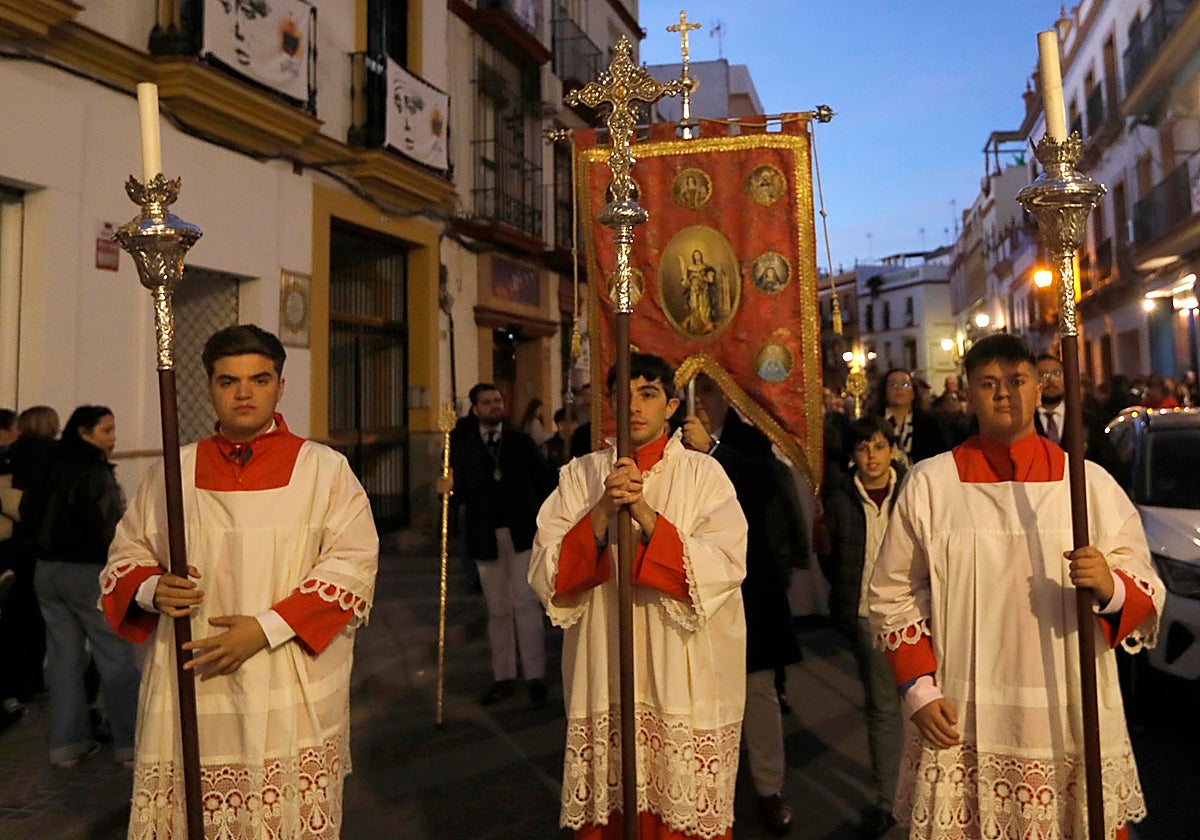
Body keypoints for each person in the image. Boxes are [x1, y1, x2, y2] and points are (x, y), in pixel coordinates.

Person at [868, 333, 1164, 840]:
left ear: (1037, 389)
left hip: (1067, 706)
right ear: (968, 394)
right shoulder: (931, 484)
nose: (1004, 393)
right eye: (988, 383)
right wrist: (917, 688)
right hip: (964, 709)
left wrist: (1108, 586)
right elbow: (893, 591)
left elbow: (1145, 587)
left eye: (1016, 380)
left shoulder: (1087, 484)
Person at [100, 324, 379, 839]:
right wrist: (152, 588)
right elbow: (127, 552)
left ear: (281, 386)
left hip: (285, 668)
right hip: (194, 676)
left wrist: (265, 628)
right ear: (210, 388)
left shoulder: (324, 470)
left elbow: (352, 565)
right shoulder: (174, 470)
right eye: (228, 381)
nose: (243, 393)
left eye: (259, 379)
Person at [529, 352, 748, 840]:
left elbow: (725, 565)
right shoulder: (581, 476)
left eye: (647, 395)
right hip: (606, 663)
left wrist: (645, 514)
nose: (633, 407)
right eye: (621, 396)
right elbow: (546, 571)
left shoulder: (704, 475)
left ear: (670, 406)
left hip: (681, 669)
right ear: (607, 403)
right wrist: (602, 511)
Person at [681, 373, 801, 836]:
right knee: (697, 693)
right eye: (693, 391)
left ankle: (770, 789)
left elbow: (761, 485)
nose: (700, 401)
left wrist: (712, 449)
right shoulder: (673, 441)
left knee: (758, 691)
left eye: (709, 391)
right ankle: (707, 789)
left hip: (748, 584)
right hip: (691, 582)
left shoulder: (748, 440)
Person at [20, 406, 140, 768]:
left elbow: (27, 511)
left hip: (46, 570)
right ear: (85, 433)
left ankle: (66, 745)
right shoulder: (94, 470)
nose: (113, 438)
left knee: (63, 658)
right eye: (107, 430)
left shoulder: (49, 464)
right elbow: (108, 525)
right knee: (115, 654)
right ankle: (131, 743)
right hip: (87, 571)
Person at [437, 382, 554, 705]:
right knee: (498, 609)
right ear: (475, 409)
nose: (495, 406)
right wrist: (447, 489)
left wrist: (548, 523)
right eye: (488, 402)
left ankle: (535, 675)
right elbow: (456, 496)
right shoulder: (463, 446)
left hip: (521, 533)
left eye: (498, 400)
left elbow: (544, 481)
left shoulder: (519, 441)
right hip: (485, 535)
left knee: (525, 602)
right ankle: (503, 676)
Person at [818, 416, 905, 838]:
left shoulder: (910, 492)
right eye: (863, 449)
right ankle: (888, 797)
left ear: (892, 450)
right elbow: (831, 557)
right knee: (883, 706)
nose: (871, 457)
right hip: (867, 613)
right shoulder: (841, 497)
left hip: (914, 612)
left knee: (927, 703)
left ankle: (920, 788)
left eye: (878, 447)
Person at [1034, 353, 1121, 478]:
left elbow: (1111, 466)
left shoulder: (1087, 420)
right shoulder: (1024, 422)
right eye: (1044, 375)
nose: (1051, 380)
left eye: (1057, 374)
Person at [870, 369, 949, 467]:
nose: (899, 389)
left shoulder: (929, 423)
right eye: (893, 385)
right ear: (885, 392)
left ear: (913, 393)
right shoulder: (874, 423)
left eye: (905, 384)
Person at [545, 407, 575, 472]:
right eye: (571, 423)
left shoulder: (578, 443)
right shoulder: (549, 446)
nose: (574, 426)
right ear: (560, 425)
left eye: (573, 423)